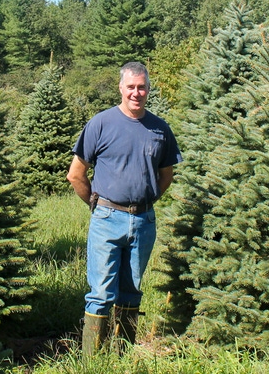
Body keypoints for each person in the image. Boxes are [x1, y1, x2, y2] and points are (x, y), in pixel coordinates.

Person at [66, 61, 182, 355]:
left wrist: (148, 199)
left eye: (142, 87)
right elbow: (75, 174)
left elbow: (166, 175)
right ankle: (93, 359)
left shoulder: (160, 129)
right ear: (120, 87)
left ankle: (122, 355)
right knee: (101, 293)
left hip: (143, 221)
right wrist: (96, 204)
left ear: (148, 89)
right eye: (131, 87)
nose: (136, 93)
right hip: (107, 218)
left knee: (131, 292)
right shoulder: (101, 124)